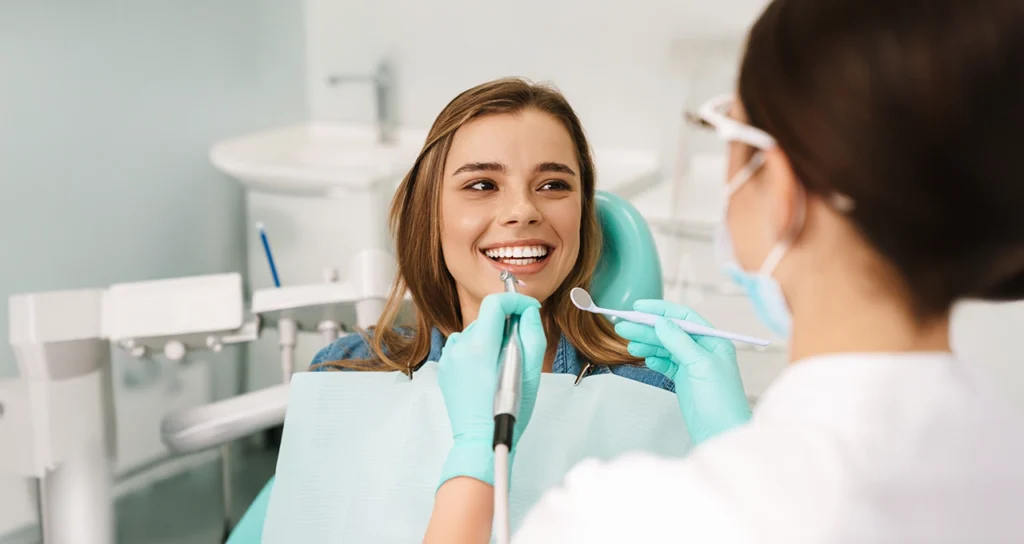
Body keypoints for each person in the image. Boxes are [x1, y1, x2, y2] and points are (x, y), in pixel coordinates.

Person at [423, 0, 1024, 541]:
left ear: (782, 188)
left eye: (729, 141)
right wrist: (736, 443)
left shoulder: (630, 518)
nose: (522, 210)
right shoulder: (1005, 457)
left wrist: (480, 449)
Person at [310, 78, 673, 387]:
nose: (523, 211)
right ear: (429, 214)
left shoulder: (649, 386)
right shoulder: (345, 373)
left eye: (552, 185)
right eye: (482, 185)